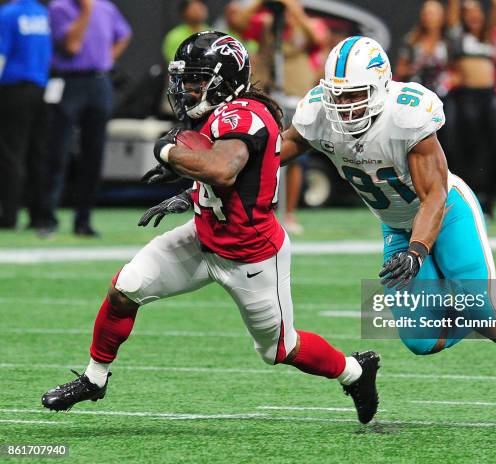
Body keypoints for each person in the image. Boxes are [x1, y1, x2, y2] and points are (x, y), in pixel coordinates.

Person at [40, 32, 380, 425]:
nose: (187, 89)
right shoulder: (223, 111)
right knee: (125, 288)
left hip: (249, 256)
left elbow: (223, 168)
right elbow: (224, 174)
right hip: (203, 236)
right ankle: (94, 379)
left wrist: (167, 150)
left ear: (225, 79)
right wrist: (189, 192)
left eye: (197, 79)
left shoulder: (243, 116)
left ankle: (356, 372)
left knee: (280, 349)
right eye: (185, 79)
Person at [281, 35, 496, 432]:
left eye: (354, 95)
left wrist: (417, 250)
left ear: (381, 87)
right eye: (337, 96)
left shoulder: (406, 114)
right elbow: (282, 147)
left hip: (447, 211)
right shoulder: (317, 113)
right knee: (421, 340)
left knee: (479, 304)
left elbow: (435, 195)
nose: (344, 106)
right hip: (396, 223)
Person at [233, 0, 327, 235]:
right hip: (268, 93)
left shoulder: (310, 24)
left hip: (296, 94)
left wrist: (294, 11)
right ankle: (261, 211)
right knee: (261, 151)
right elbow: (238, 25)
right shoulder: (264, 23)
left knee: (295, 155)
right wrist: (260, 4)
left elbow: (318, 41)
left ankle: (289, 213)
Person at [38, 0, 131, 237]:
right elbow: (71, 46)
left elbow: (124, 34)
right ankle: (47, 217)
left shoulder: (107, 7)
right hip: (69, 82)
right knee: (57, 152)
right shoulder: (59, 8)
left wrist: (108, 58)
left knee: (94, 154)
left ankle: (84, 220)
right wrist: (87, 10)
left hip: (99, 83)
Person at [447, 0, 496, 218]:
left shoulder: (490, 37)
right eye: (467, 13)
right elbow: (453, 13)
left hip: (490, 98)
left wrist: (495, 8)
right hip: (467, 97)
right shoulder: (458, 37)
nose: (472, 16)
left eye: (476, 12)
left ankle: (491, 201)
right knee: (470, 153)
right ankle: (469, 202)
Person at [0, 0, 51, 230]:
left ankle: (9, 216)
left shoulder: (8, 14)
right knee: (37, 153)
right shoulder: (42, 14)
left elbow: (1, 55)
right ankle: (38, 216)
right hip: (40, 89)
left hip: (13, 90)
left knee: (11, 153)